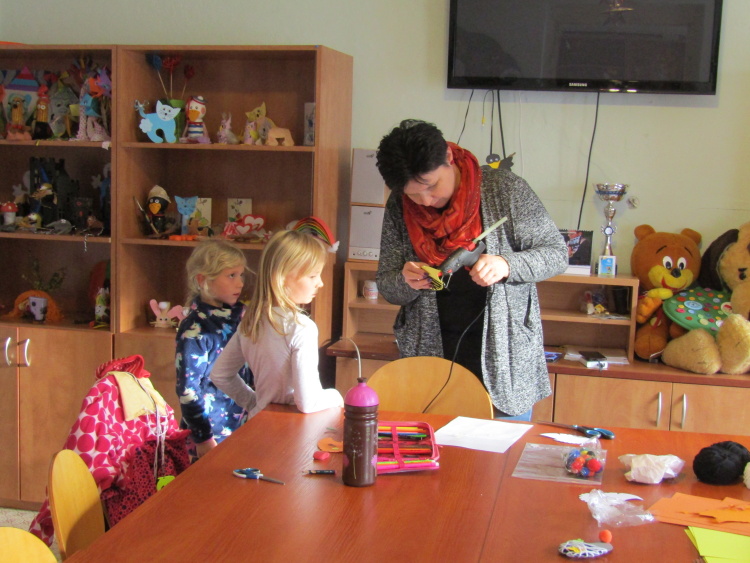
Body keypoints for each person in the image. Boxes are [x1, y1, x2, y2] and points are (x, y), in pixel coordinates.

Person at [375, 119, 567, 420]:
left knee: (501, 446)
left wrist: (506, 264)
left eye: (431, 186)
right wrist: (405, 281)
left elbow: (556, 254)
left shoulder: (504, 189)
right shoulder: (399, 205)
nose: (426, 201)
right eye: (413, 194)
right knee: (431, 445)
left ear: (448, 157)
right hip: (430, 356)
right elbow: (388, 286)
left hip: (503, 357)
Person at [211, 230, 343, 417]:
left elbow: (220, 375)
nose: (320, 283)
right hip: (293, 427)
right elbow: (308, 402)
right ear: (282, 278)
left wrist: (255, 403)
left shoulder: (250, 323)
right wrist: (336, 396)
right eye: (313, 276)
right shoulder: (301, 327)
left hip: (259, 421)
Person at [176, 239, 253, 458]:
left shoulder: (242, 317)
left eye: (241, 275)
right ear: (203, 280)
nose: (240, 283)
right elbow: (188, 390)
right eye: (231, 275)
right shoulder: (195, 329)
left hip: (243, 424)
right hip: (211, 433)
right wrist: (203, 438)